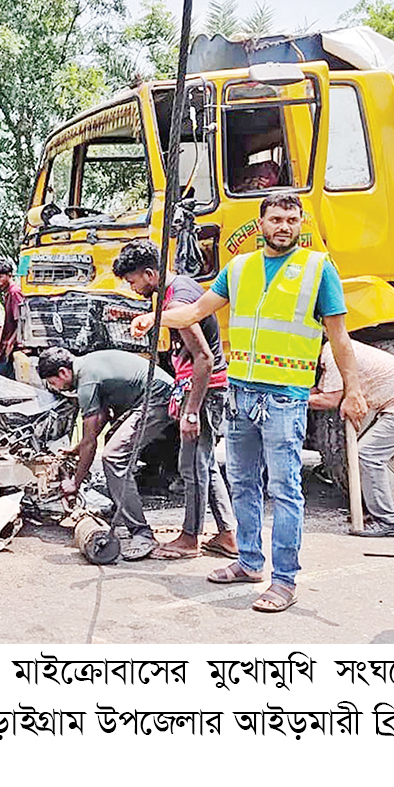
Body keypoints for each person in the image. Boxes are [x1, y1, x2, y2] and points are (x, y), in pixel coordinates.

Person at [132, 192, 367, 613]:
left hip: (284, 398)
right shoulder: (239, 268)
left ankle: (284, 580)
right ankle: (249, 562)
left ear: (301, 223)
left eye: (291, 220)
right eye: (276, 219)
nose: (284, 227)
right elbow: (194, 311)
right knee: (242, 483)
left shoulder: (318, 269)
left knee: (285, 490)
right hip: (241, 394)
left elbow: (339, 336)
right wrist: (155, 318)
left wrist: (354, 390)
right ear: (261, 223)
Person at [112, 240, 238, 560]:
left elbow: (204, 358)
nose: (133, 288)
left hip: (205, 391)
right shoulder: (176, 289)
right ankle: (227, 535)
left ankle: (189, 538)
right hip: (203, 389)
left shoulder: (176, 301)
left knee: (192, 466)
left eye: (132, 281)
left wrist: (192, 411)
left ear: (149, 274)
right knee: (205, 464)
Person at [38, 346, 174, 560]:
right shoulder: (87, 368)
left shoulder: (87, 381)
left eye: (53, 382)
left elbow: (91, 442)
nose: (56, 387)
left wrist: (75, 483)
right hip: (150, 395)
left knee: (113, 455)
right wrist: (75, 449)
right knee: (113, 439)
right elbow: (100, 420)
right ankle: (121, 508)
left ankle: (142, 533)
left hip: (158, 396)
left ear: (63, 372)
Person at [310, 340, 394, 537]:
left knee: (368, 454)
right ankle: (376, 513)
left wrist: (292, 398)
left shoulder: (332, 355)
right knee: (367, 453)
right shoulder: (333, 351)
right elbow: (320, 392)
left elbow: (329, 399)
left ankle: (388, 521)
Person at [0, 258, 23, 379]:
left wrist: (11, 342)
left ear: (9, 275)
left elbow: (21, 321)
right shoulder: (8, 293)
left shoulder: (14, 292)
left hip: (12, 346)